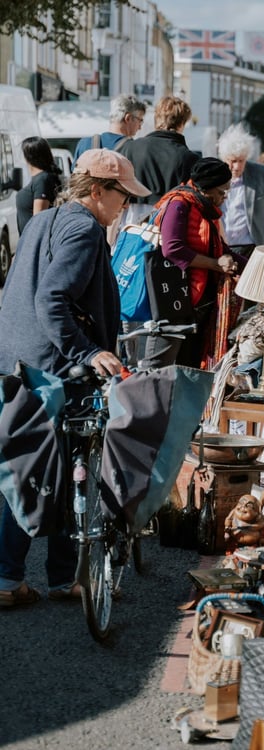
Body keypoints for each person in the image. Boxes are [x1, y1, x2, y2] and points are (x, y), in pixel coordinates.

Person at [0, 149, 151, 606]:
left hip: (17, 358)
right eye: (122, 197)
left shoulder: (44, 220)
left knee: (25, 466)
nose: (125, 206)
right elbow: (52, 299)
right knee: (59, 469)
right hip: (50, 366)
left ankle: (33, 578)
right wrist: (88, 350)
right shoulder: (85, 229)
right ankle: (37, 578)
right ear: (98, 190)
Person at [142, 158, 247, 370]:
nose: (224, 198)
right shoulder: (179, 204)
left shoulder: (205, 208)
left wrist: (254, 265)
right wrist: (216, 264)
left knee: (189, 367)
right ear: (205, 189)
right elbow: (172, 248)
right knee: (161, 367)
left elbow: (219, 247)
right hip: (175, 300)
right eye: (221, 192)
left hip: (197, 303)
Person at [120, 95, 200, 224]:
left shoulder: (130, 148)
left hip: (131, 224)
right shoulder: (190, 158)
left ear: (156, 118)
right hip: (171, 225)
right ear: (182, 123)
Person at [217, 123, 264, 255]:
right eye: (233, 161)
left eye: (241, 161)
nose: (236, 166)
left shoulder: (263, 175)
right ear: (224, 158)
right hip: (222, 247)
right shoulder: (215, 176)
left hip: (253, 248)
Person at [73, 93, 147, 162]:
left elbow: (73, 175)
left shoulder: (84, 144)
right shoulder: (134, 150)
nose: (140, 127)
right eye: (140, 120)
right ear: (128, 118)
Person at [16, 136, 62, 234]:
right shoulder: (39, 179)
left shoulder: (42, 179)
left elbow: (39, 220)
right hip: (29, 243)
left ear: (28, 156)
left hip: (34, 244)